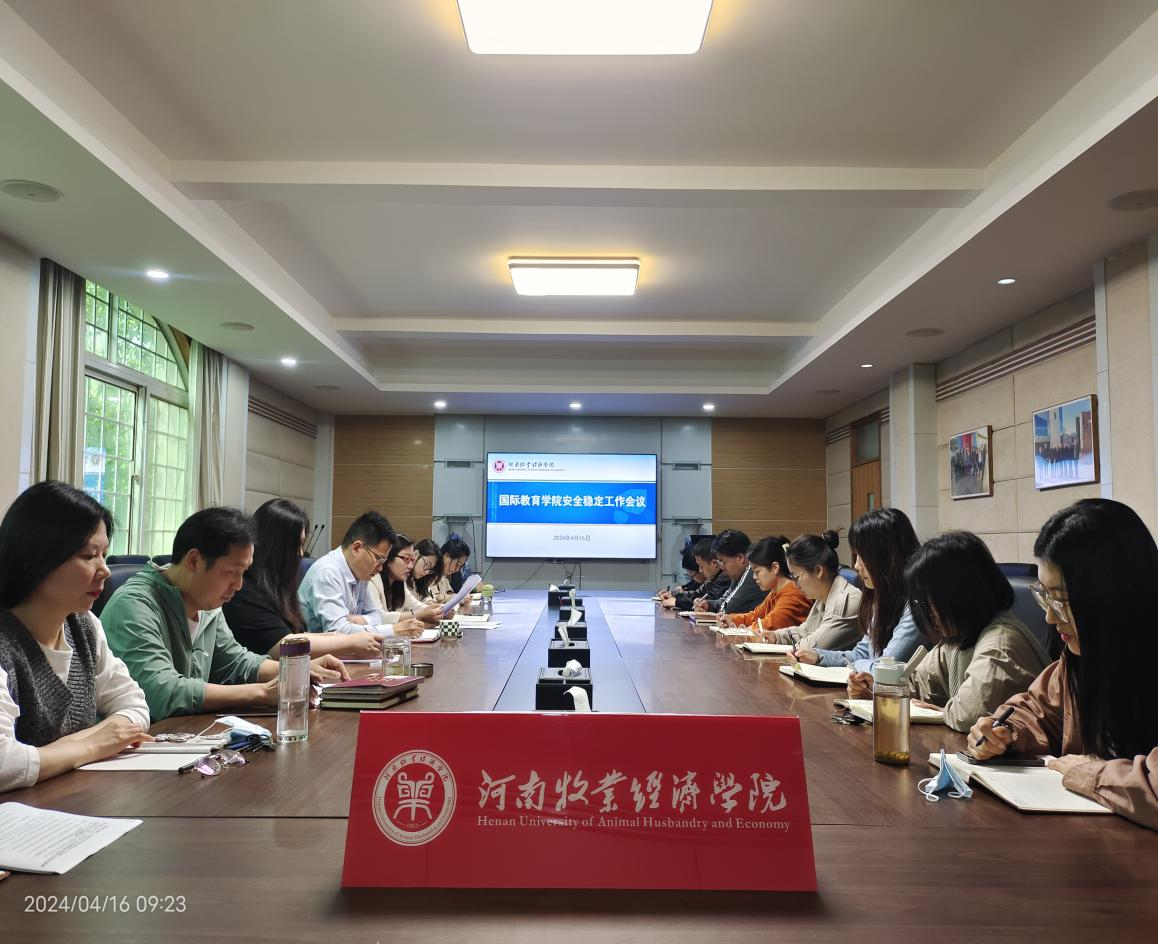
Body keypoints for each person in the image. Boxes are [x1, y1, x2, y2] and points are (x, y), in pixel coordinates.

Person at [968, 499, 1158, 831]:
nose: (1049, 617)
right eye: (1045, 596)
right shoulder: (1082, 659)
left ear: (1111, 593)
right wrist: (1005, 732)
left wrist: (1088, 773)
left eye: (1061, 600)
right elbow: (1037, 710)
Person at [102, 507, 347, 721]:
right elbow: (162, 692)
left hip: (182, 735)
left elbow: (235, 662)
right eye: (231, 572)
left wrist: (295, 669)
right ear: (194, 561)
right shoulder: (134, 605)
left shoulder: (207, 606)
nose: (238, 585)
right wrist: (262, 693)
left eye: (243, 572)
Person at [0, 482, 152, 792]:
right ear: (34, 558)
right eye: (88, 555)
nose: (104, 570)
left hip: (74, 798)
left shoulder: (84, 626)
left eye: (104, 555)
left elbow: (134, 705)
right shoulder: (5, 643)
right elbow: (4, 763)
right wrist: (94, 745)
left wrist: (68, 748)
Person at [905, 531, 1049, 733]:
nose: (928, 612)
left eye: (930, 601)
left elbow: (970, 716)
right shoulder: (960, 637)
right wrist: (872, 689)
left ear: (960, 595)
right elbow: (916, 685)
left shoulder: (1001, 644)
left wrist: (942, 713)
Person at [223, 499, 384, 660]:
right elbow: (283, 645)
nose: (301, 553)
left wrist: (339, 637)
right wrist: (350, 642)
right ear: (275, 544)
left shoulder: (277, 585)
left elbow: (297, 635)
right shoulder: (245, 589)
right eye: (297, 545)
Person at [789, 508, 923, 696]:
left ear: (886, 556)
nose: (856, 566)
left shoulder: (917, 604)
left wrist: (858, 665)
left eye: (862, 556)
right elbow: (862, 653)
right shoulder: (883, 597)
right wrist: (819, 656)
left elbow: (885, 670)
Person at [298, 512, 434, 637]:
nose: (381, 568)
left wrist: (360, 620)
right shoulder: (327, 572)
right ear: (357, 548)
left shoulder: (360, 573)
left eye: (384, 561)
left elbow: (377, 616)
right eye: (379, 559)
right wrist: (394, 630)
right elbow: (339, 631)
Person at [764, 531, 862, 652]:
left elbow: (812, 646)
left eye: (796, 577)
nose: (795, 584)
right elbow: (805, 630)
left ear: (818, 571)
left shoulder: (845, 602)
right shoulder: (823, 596)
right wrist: (776, 636)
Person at [718, 536, 812, 631]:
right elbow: (755, 616)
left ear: (775, 567)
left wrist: (744, 628)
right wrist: (731, 619)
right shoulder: (775, 591)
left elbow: (771, 624)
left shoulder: (793, 594)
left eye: (757, 571)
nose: (754, 577)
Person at [367, 533, 440, 623]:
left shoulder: (399, 582)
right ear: (388, 558)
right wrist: (419, 614)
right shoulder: (372, 580)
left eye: (411, 560)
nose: (410, 566)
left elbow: (415, 605)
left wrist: (439, 610)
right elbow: (379, 618)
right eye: (406, 559)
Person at [694, 529, 765, 615]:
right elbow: (725, 600)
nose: (722, 567)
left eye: (723, 562)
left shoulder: (751, 573)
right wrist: (708, 605)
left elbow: (729, 608)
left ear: (741, 557)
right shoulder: (738, 574)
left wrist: (714, 607)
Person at [659, 538, 728, 610]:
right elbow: (699, 594)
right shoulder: (713, 578)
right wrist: (675, 595)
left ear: (714, 563)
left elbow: (709, 600)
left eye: (701, 566)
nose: (700, 571)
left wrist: (677, 602)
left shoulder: (725, 578)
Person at [426, 538, 470, 604]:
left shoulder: (443, 574)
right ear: (446, 556)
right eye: (457, 564)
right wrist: (458, 598)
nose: (457, 569)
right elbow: (436, 598)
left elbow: (449, 592)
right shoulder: (431, 571)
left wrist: (461, 597)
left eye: (460, 566)